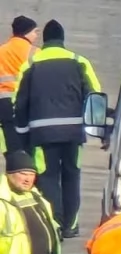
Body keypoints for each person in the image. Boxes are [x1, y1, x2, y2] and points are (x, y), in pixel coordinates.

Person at [13, 19, 101, 238]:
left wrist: (22, 133)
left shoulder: (31, 64)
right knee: (72, 175)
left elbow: (19, 101)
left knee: (48, 177)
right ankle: (70, 225)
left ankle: (55, 223)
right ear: (62, 39)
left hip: (42, 134)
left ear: (45, 41)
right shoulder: (79, 61)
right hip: (73, 133)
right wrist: (97, 128)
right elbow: (95, 95)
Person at [0, 17, 37, 154]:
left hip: (3, 104)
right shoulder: (34, 53)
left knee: (11, 147)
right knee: (27, 147)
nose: (36, 36)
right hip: (24, 104)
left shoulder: (1, 50)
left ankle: (13, 170)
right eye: (35, 32)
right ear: (26, 32)